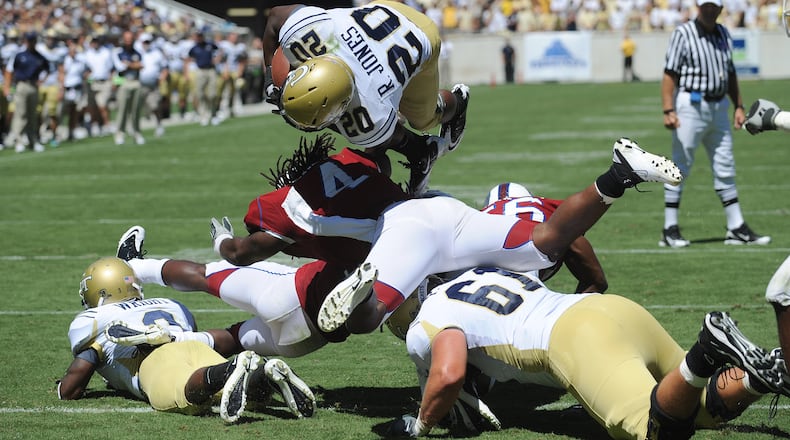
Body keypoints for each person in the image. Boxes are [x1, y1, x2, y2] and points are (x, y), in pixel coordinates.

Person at [212, 135, 680, 335]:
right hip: (442, 209)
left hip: (406, 234)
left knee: (367, 319)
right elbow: (389, 154)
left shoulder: (286, 203)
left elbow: (245, 252)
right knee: (546, 244)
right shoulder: (352, 160)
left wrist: (222, 243)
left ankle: (360, 291)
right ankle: (618, 175)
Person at [386, 266, 786, 439]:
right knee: (697, 408)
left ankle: (709, 347)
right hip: (609, 308)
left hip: (575, 339)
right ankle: (764, 374)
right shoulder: (483, 273)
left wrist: (419, 426)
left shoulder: (427, 320)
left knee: (656, 430)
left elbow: (450, 372)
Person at [57, 255, 316, 423]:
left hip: (154, 360)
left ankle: (230, 368)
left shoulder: (94, 318)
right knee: (234, 394)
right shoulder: (168, 304)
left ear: (100, 292)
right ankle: (265, 373)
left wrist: (64, 389)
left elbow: (81, 370)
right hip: (191, 343)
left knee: (185, 395)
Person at [262, 1, 470, 195]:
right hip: (385, 8)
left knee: (424, 120)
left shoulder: (371, 102)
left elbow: (379, 150)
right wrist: (271, 77)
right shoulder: (308, 31)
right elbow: (275, 17)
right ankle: (422, 152)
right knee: (369, 129)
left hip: (421, 33)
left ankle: (457, 102)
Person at [660, 0, 768, 248]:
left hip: (719, 106)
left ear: (721, 8)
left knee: (725, 164)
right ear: (698, 6)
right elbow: (669, 73)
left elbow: (730, 72)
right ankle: (669, 228)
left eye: (714, 6)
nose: (710, 9)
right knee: (680, 165)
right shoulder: (683, 33)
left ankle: (736, 226)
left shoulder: (723, 32)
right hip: (691, 105)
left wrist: (738, 105)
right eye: (706, 5)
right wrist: (668, 109)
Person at [482, 182, 607, 293]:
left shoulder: (481, 215)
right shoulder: (544, 205)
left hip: (489, 256)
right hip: (539, 245)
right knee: (594, 281)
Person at [3, 31, 49, 153]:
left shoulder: (39, 56)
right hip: (21, 85)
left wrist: (42, 81)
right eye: (29, 40)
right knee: (21, 114)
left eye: (33, 40)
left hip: (34, 86)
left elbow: (48, 69)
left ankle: (33, 140)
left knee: (32, 115)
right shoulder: (19, 55)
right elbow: (9, 71)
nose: (31, 43)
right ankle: (18, 140)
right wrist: (8, 87)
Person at [112, 30, 144, 146]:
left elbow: (141, 66)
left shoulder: (137, 52)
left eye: (130, 39)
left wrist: (130, 64)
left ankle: (137, 132)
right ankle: (120, 133)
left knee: (135, 110)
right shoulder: (118, 52)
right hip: (124, 82)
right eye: (126, 39)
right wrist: (133, 65)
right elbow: (120, 67)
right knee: (122, 110)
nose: (128, 41)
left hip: (136, 81)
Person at [185, 28, 221, 126]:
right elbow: (187, 59)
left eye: (201, 36)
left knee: (212, 94)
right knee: (199, 94)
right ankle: (204, 115)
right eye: (198, 36)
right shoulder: (194, 48)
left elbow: (219, 51)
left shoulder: (209, 45)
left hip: (211, 70)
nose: (199, 38)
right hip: (200, 70)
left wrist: (216, 59)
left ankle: (214, 114)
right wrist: (187, 73)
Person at [137, 33, 168, 138]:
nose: (146, 44)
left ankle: (159, 125)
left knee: (155, 106)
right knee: (136, 107)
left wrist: (162, 79)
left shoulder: (156, 53)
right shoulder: (137, 53)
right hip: (139, 84)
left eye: (148, 42)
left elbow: (164, 68)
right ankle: (136, 129)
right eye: (144, 42)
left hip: (153, 84)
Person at [83, 34, 115, 137]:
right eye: (93, 42)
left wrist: (115, 81)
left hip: (104, 82)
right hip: (92, 83)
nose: (95, 44)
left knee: (103, 104)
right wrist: (87, 76)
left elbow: (112, 68)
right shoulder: (87, 54)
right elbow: (85, 69)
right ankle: (95, 125)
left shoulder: (106, 52)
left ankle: (107, 124)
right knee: (93, 107)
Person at [60, 36, 90, 143]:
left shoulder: (80, 61)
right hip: (67, 89)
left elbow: (86, 71)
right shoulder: (65, 61)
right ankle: (58, 133)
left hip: (77, 89)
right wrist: (61, 88)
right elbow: (62, 75)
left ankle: (71, 131)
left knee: (75, 111)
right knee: (62, 112)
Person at [216, 31, 247, 118]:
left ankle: (231, 109)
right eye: (233, 36)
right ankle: (217, 109)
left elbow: (243, 60)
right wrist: (225, 70)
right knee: (220, 90)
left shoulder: (241, 46)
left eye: (236, 36)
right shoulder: (223, 45)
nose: (235, 38)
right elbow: (222, 58)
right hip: (223, 70)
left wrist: (240, 71)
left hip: (235, 70)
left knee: (233, 91)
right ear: (229, 37)